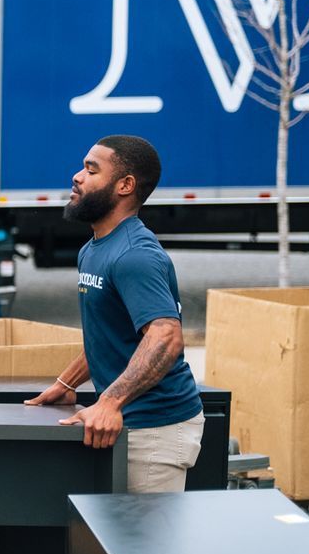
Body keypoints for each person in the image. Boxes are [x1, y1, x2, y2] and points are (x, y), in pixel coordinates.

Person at [26, 135, 205, 491]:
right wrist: (65, 384)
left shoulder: (134, 255)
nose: (77, 176)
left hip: (156, 429)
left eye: (91, 170)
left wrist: (109, 402)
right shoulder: (94, 248)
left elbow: (166, 337)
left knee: (144, 545)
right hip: (127, 421)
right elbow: (109, 334)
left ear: (125, 185)